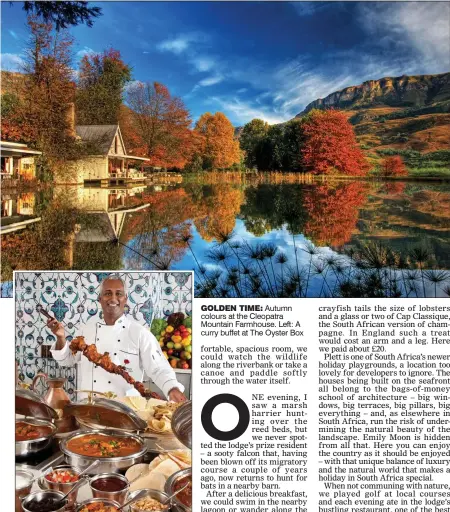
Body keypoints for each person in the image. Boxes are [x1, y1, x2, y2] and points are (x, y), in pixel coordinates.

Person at [48, 274, 186, 402]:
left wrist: (172, 388)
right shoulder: (85, 331)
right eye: (107, 293)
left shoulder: (139, 333)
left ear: (125, 299)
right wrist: (61, 338)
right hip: (88, 408)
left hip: (126, 411)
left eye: (118, 294)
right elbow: (66, 361)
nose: (113, 298)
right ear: (100, 299)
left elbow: (159, 369)